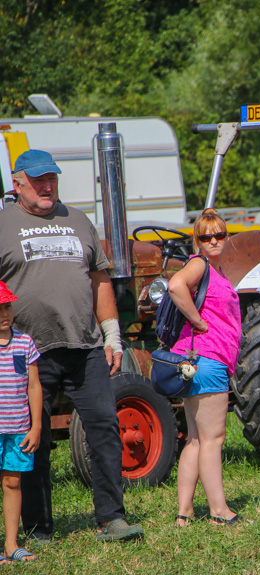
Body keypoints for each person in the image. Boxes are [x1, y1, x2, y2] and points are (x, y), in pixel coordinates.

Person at [0, 150, 143, 543]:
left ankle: (111, 518)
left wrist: (112, 335)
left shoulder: (78, 221)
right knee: (35, 437)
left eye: (53, 179)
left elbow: (99, 282)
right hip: (26, 351)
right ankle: (37, 526)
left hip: (85, 345)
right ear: (19, 183)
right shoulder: (3, 223)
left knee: (104, 429)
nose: (48, 187)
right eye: (39, 180)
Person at [169, 209, 245, 527]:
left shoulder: (214, 270)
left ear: (226, 237)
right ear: (197, 241)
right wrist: (197, 320)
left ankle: (183, 515)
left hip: (196, 361)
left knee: (196, 439)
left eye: (219, 235)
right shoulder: (199, 265)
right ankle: (219, 511)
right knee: (213, 438)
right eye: (206, 236)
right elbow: (175, 286)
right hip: (208, 360)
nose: (213, 240)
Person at [0, 282, 41, 563]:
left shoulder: (25, 342)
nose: (4, 313)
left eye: (7, 307)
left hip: (17, 428)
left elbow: (34, 386)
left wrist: (36, 425)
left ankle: (11, 544)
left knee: (13, 482)